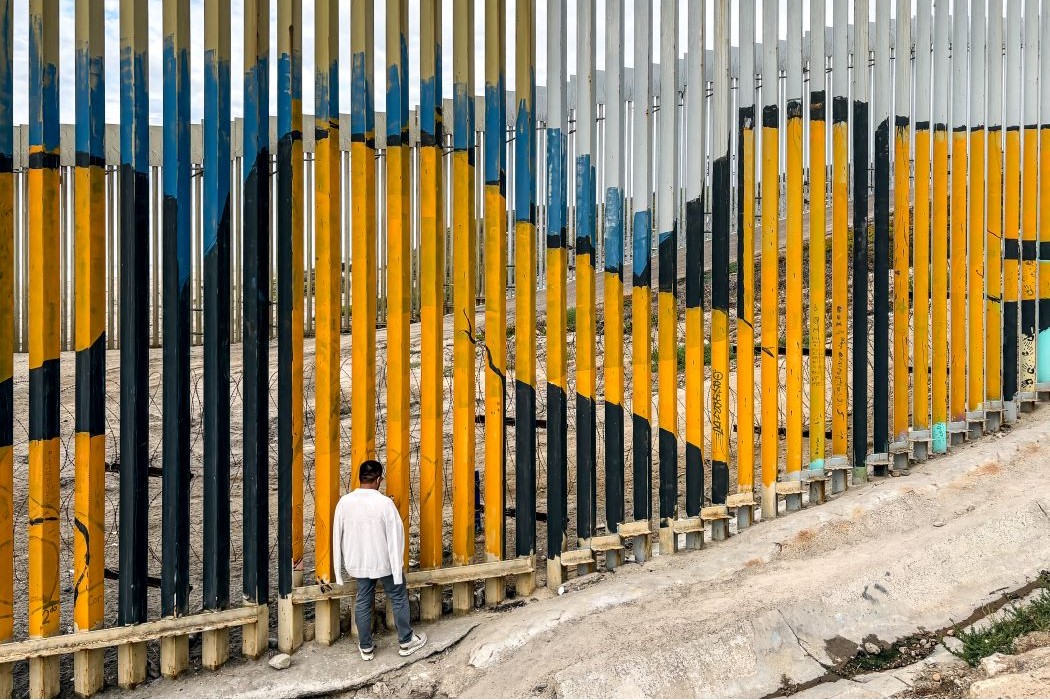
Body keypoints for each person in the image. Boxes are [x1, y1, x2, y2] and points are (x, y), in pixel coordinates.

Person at [333, 459, 427, 661]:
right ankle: (406, 641)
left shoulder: (345, 502)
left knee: (363, 600)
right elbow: (396, 536)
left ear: (360, 478)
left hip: (359, 561)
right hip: (384, 561)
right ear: (378, 480)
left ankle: (366, 647)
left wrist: (339, 568)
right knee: (398, 597)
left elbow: (336, 535)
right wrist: (397, 564)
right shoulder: (384, 503)